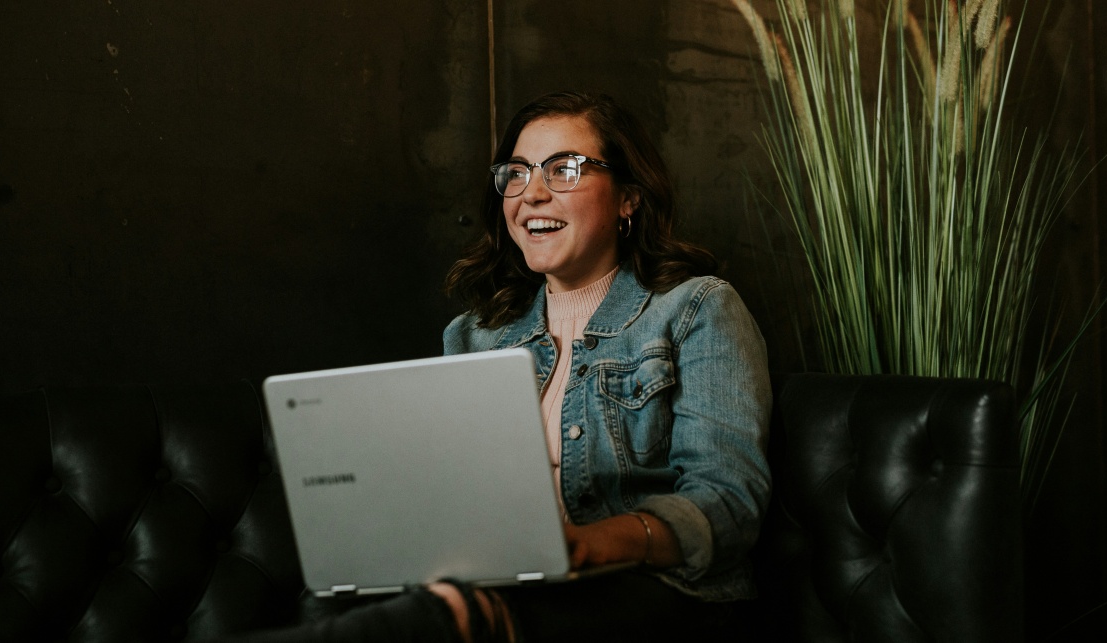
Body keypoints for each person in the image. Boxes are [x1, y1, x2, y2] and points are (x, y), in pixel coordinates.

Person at [219, 91, 770, 642]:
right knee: (338, 604)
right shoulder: (475, 336)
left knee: (457, 619)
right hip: (503, 588)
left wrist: (588, 542)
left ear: (629, 197)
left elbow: (728, 501)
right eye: (517, 172)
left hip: (659, 594)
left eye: (564, 169)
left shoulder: (698, 308)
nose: (531, 193)